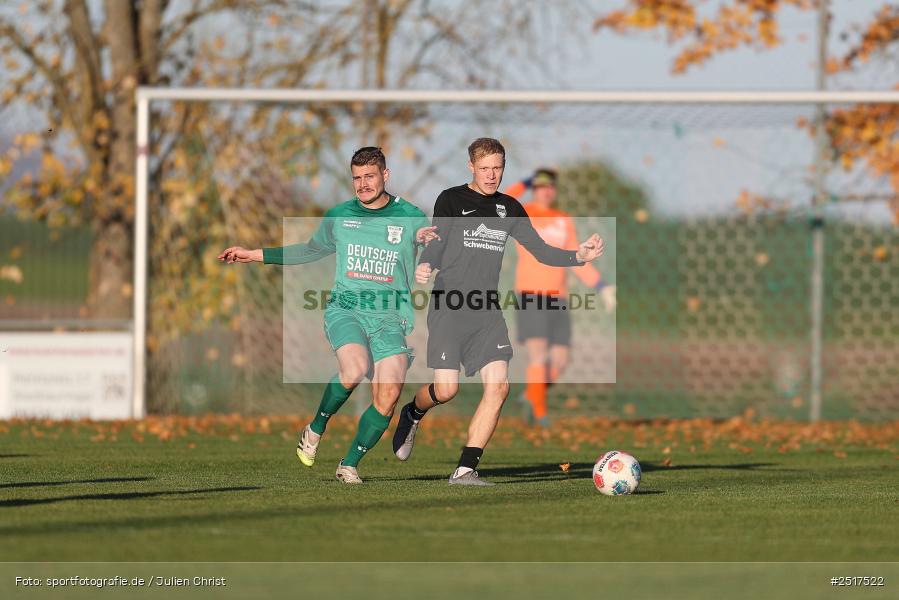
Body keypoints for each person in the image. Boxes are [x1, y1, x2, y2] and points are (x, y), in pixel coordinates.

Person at [390, 138, 603, 486]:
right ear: (471, 167)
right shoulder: (451, 199)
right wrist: (426, 263)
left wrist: (578, 256)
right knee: (447, 390)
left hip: (487, 312)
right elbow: (437, 242)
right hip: (449, 307)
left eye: (498, 168)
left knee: (499, 387)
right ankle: (413, 412)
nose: (491, 175)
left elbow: (541, 251)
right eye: (485, 168)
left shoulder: (511, 208)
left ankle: (465, 469)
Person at [218, 147, 436, 484]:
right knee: (355, 369)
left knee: (389, 395)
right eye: (357, 178)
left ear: (385, 175)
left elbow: (432, 245)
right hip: (346, 310)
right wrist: (254, 255)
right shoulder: (339, 215)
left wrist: (426, 253)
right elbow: (309, 250)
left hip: (390, 318)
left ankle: (348, 465)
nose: (363, 184)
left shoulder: (411, 215)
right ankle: (316, 427)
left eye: (370, 176)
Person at [505, 168, 615, 426]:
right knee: (538, 355)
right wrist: (525, 181)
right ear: (534, 189)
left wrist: (601, 286)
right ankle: (539, 414)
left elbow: (578, 258)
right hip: (531, 295)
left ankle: (532, 394)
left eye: (550, 186)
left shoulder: (563, 219)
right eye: (541, 186)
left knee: (561, 360)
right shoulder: (524, 213)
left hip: (558, 298)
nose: (546, 190)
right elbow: (502, 201)